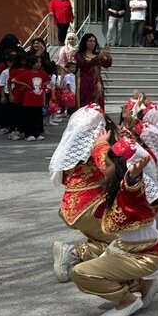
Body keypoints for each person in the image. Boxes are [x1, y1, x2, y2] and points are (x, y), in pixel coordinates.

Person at [70, 135, 158, 316]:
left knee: (81, 273)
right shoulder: (115, 184)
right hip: (127, 249)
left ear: (122, 168)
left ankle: (127, 301)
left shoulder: (131, 190)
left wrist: (133, 177)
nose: (103, 168)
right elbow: (104, 156)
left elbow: (132, 189)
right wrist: (100, 143)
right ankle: (145, 286)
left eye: (108, 164)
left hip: (143, 256)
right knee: (98, 255)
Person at [49, 105, 115, 283]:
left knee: (104, 238)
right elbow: (109, 170)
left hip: (70, 206)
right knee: (128, 242)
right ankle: (74, 253)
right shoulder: (96, 146)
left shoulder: (71, 150)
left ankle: (80, 252)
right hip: (92, 208)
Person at [74, 33, 112, 111]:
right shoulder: (79, 55)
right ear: (85, 42)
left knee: (98, 105)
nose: (92, 43)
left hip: (97, 84)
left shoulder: (97, 55)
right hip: (84, 83)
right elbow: (84, 64)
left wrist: (108, 57)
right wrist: (98, 57)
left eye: (94, 41)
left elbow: (106, 64)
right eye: (90, 41)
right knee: (85, 105)